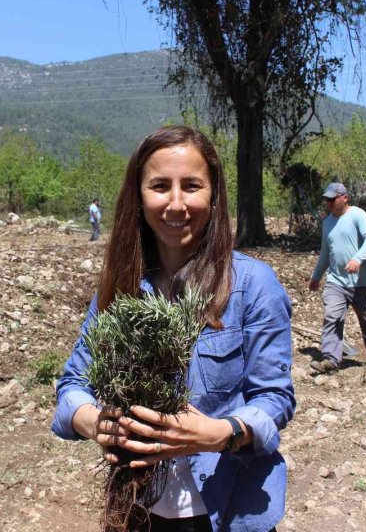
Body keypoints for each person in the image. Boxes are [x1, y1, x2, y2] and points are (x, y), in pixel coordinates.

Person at [53, 126, 295, 532]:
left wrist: (220, 432)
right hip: (139, 510)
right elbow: (73, 383)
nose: (177, 204)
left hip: (229, 510)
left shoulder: (254, 285)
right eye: (160, 186)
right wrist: (94, 421)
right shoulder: (120, 285)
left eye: (193, 186)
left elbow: (275, 397)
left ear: (213, 196)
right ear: (139, 195)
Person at [308, 182, 366, 374]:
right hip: (336, 281)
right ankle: (330, 360)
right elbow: (326, 252)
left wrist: (358, 259)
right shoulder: (327, 223)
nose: (330, 203)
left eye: (333, 199)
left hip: (361, 282)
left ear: (344, 198)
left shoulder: (357, 215)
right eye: (327, 200)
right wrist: (316, 276)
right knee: (331, 317)